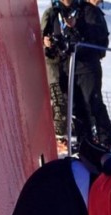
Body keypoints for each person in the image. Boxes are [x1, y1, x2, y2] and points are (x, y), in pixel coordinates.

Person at [45, 0, 111, 149]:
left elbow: (101, 42)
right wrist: (49, 44)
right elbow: (51, 44)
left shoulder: (89, 11)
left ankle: (105, 141)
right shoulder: (54, 13)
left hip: (87, 67)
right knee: (76, 108)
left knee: (93, 102)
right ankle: (85, 142)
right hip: (66, 68)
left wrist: (76, 31)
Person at [41, 4, 68, 141]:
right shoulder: (50, 14)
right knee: (58, 99)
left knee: (65, 98)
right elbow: (41, 34)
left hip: (65, 63)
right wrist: (45, 40)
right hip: (52, 63)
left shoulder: (69, 13)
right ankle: (58, 137)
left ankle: (62, 130)